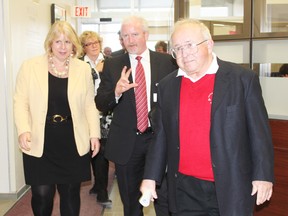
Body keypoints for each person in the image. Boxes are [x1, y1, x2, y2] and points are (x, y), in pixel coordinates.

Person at [140, 18, 274, 216]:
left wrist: (263, 176)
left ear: (209, 44)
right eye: (178, 48)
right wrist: (150, 177)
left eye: (190, 45)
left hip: (231, 184)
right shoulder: (168, 86)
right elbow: (161, 136)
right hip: (185, 188)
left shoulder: (242, 79)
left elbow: (259, 133)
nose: (185, 54)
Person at [13, 21, 101, 216]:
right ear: (50, 43)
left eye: (68, 42)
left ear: (74, 45)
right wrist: (23, 129)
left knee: (70, 193)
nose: (63, 47)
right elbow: (20, 101)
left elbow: (89, 104)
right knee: (42, 194)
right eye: (58, 41)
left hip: (72, 139)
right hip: (39, 139)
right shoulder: (30, 67)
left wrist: (94, 134)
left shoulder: (83, 69)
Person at [95, 15, 178, 216]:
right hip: (127, 144)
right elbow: (100, 103)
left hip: (160, 140)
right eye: (125, 36)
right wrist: (116, 91)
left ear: (146, 35)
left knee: (165, 200)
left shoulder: (167, 62)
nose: (130, 40)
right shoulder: (113, 64)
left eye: (135, 34)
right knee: (132, 205)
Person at [79, 30, 112, 207]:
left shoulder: (110, 62)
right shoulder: (78, 65)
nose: (93, 46)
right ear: (83, 48)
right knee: (91, 150)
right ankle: (97, 184)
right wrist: (94, 72)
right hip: (85, 114)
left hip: (105, 113)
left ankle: (102, 192)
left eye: (96, 43)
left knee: (103, 152)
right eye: (89, 44)